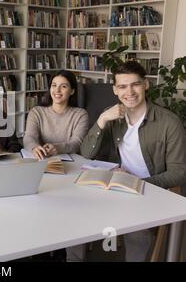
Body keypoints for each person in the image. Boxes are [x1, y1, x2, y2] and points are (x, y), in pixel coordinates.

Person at [79, 61, 186, 261]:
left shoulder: (169, 123)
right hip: (117, 188)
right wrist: (102, 119)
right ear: (115, 90)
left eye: (135, 84)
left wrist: (137, 183)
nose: (129, 92)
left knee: (136, 231)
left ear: (146, 84)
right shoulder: (113, 118)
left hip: (150, 190)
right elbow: (86, 153)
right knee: (74, 208)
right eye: (122, 86)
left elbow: (179, 172)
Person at [24, 70, 88, 160]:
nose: (57, 90)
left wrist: (58, 148)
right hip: (42, 160)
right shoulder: (36, 112)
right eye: (54, 85)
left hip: (71, 163)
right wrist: (34, 147)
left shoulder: (80, 114)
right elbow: (29, 137)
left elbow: (77, 143)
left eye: (63, 86)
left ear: (72, 91)